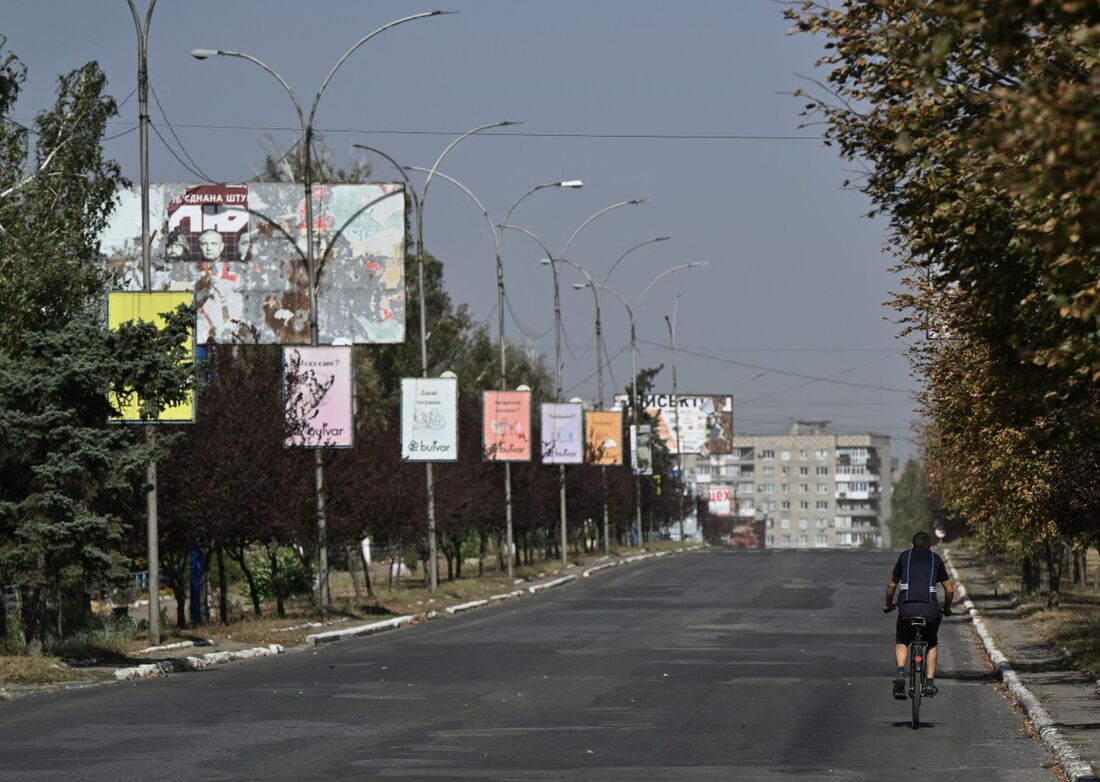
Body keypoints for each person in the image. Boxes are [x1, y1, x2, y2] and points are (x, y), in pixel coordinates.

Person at [883, 531, 955, 699]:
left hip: (907, 609)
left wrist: (888, 604)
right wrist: (947, 607)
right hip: (930, 610)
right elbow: (950, 589)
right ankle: (929, 683)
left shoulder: (904, 556)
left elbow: (891, 585)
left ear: (911, 545)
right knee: (931, 642)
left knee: (902, 639)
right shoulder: (935, 558)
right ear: (930, 547)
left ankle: (901, 672)